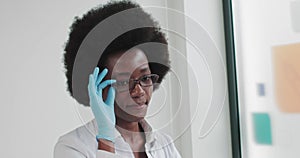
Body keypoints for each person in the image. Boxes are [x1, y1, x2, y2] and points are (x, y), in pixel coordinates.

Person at [54, 0, 181, 157]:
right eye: (122, 82)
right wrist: (106, 140)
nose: (139, 91)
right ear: (96, 87)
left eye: (145, 78)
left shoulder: (164, 145)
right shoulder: (73, 146)